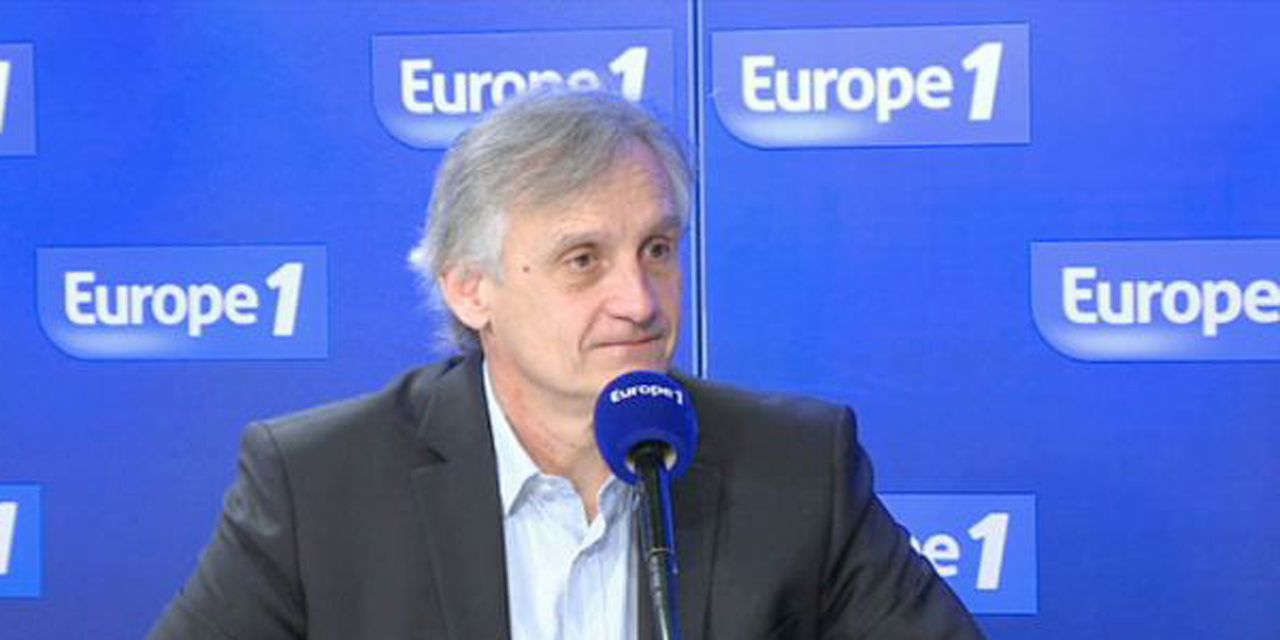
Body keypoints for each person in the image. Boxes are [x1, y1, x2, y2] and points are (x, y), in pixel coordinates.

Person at [150, 90, 984, 639]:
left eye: (657, 249)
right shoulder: (317, 485)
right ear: (470, 288)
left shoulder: (797, 469)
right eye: (583, 260)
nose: (640, 300)